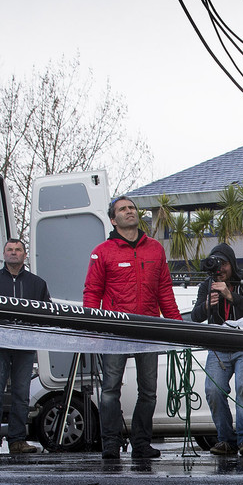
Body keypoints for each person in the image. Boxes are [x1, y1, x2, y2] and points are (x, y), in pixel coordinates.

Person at [83, 196, 181, 461]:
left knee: (149, 390)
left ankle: (141, 443)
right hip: (116, 331)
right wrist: (92, 329)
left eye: (132, 208)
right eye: (122, 209)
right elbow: (92, 292)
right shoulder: (102, 251)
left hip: (148, 329)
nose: (129, 211)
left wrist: (176, 327)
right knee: (110, 389)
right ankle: (110, 443)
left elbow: (164, 291)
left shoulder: (155, 249)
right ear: (113, 220)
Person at [191, 243, 243, 457]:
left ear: (232, 264)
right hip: (219, 347)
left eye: (224, 263)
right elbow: (196, 316)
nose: (221, 269)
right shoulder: (207, 285)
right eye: (216, 264)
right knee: (213, 390)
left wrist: (230, 295)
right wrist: (208, 304)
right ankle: (226, 440)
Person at [0, 237, 50, 454]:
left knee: (21, 393)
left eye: (18, 249)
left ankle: (17, 439)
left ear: (24, 255)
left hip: (25, 346)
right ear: (4, 254)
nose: (14, 253)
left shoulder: (38, 284)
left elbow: (46, 313)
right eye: (9, 249)